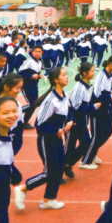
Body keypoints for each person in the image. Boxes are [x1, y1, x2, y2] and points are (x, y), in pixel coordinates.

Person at [15, 66, 74, 210]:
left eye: (67, 74)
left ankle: (48, 199)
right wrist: (56, 130)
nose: (67, 77)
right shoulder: (50, 100)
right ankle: (23, 188)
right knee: (51, 171)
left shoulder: (64, 95)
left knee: (59, 168)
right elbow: (39, 125)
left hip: (57, 138)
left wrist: (70, 120)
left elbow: (69, 110)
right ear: (56, 80)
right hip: (46, 140)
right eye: (64, 75)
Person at [64, 61, 100, 179]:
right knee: (69, 148)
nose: (94, 73)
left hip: (82, 123)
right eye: (92, 71)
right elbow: (76, 108)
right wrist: (93, 107)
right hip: (74, 123)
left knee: (86, 143)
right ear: (84, 73)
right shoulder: (79, 88)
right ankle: (59, 170)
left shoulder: (86, 85)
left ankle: (68, 164)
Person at [18, 45, 44, 129]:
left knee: (35, 104)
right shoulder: (29, 61)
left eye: (39, 51)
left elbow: (36, 73)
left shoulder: (40, 62)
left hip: (34, 86)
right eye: (35, 51)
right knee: (31, 104)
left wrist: (39, 75)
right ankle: (15, 112)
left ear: (42, 53)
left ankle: (25, 122)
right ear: (32, 52)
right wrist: (31, 76)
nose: (37, 53)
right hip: (26, 86)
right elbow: (20, 72)